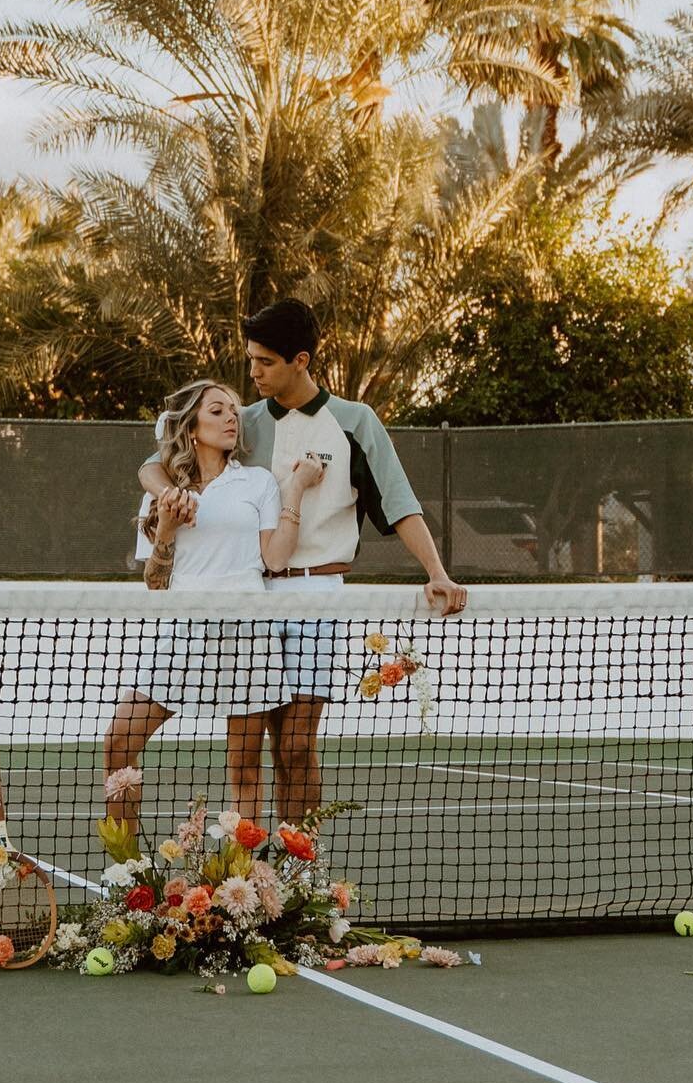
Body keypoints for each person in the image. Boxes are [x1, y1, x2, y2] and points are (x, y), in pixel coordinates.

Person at [138, 300, 467, 822]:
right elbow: (155, 464)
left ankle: (299, 871)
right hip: (254, 602)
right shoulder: (239, 423)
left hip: (318, 599)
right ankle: (264, 877)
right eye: (250, 359)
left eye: (265, 362)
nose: (253, 372)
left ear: (301, 359)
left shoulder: (356, 422)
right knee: (256, 752)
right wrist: (169, 497)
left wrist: (437, 573)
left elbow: (399, 503)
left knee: (295, 745)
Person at [103, 378, 324, 827]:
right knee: (119, 742)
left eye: (233, 411)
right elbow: (156, 583)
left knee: (244, 769)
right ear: (191, 427)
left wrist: (296, 489)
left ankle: (242, 877)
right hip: (184, 634)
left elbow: (275, 557)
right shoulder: (162, 493)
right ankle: (127, 871)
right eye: (217, 411)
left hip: (249, 638)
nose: (230, 419)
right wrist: (165, 525)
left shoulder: (258, 482)